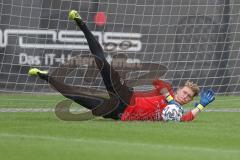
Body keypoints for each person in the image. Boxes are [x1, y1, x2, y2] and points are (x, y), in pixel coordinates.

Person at [28, 10, 215, 122]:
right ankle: (81, 23)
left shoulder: (176, 113)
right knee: (101, 62)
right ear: (180, 89)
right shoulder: (168, 93)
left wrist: (201, 107)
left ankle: (45, 76)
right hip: (126, 94)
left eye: (188, 96)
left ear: (189, 100)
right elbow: (157, 81)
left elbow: (185, 118)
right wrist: (170, 99)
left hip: (118, 112)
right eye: (184, 92)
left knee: (77, 96)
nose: (184, 96)